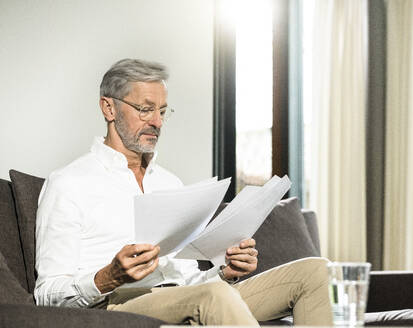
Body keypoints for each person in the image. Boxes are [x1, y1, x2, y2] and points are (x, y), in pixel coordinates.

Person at [35, 58, 333, 326]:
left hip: (185, 296)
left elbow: (188, 279)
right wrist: (108, 276)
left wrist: (225, 272)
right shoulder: (69, 183)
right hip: (116, 305)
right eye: (145, 109)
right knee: (213, 297)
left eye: (163, 111)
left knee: (313, 272)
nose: (157, 122)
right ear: (109, 107)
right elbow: (46, 295)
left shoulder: (169, 183)